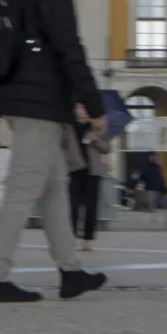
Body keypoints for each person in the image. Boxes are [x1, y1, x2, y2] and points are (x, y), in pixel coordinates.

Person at [0, 0, 108, 304]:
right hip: (38, 100)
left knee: (53, 187)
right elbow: (69, 45)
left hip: (21, 96)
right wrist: (94, 103)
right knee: (23, 188)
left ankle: (70, 271)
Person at [69, 103, 109, 251]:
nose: (83, 112)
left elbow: (107, 148)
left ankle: (88, 238)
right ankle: (71, 237)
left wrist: (95, 139)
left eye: (85, 109)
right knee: (73, 206)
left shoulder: (97, 128)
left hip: (93, 172)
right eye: (80, 109)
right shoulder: (70, 128)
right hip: (75, 170)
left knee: (91, 207)